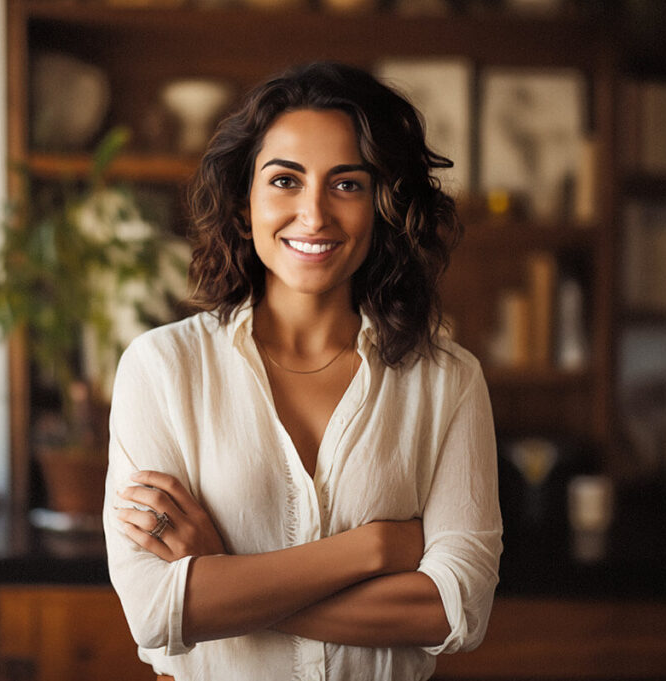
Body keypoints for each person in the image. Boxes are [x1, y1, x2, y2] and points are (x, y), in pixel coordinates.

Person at [103, 61, 502, 681]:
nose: (314, 215)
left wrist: (224, 577)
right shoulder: (162, 369)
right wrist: (371, 549)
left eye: (347, 185)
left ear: (382, 207)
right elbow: (156, 611)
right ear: (244, 206)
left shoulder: (448, 381)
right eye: (285, 180)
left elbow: (456, 612)